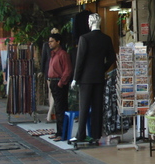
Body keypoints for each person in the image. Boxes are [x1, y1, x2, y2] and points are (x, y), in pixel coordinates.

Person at [71, 13, 116, 144]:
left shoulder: (84, 38)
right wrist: (103, 68)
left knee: (84, 107)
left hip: (85, 78)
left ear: (90, 23)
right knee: (98, 107)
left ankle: (81, 135)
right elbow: (112, 57)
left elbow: (80, 60)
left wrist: (75, 78)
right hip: (99, 77)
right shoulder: (106, 38)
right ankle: (96, 134)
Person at [47, 33, 73, 142]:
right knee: (58, 109)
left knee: (61, 108)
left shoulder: (63, 54)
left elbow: (68, 70)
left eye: (52, 41)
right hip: (53, 82)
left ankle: (63, 133)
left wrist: (61, 83)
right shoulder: (53, 54)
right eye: (49, 41)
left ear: (58, 42)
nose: (50, 43)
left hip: (59, 83)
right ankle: (59, 132)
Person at [41, 28, 59, 121]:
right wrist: (42, 71)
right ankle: (51, 111)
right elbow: (43, 59)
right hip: (49, 70)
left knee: (52, 91)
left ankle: (50, 112)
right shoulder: (46, 45)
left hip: (55, 71)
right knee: (50, 91)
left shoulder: (60, 46)